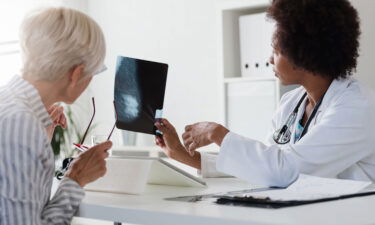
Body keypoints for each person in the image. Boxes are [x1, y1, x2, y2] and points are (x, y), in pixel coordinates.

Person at [155, 0, 375, 187]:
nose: (270, 59)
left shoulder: (358, 107)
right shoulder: (291, 103)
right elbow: (263, 168)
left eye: (277, 50)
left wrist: (218, 134)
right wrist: (185, 157)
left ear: (304, 52)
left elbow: (283, 171)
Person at [0, 7, 111, 224]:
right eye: (94, 72)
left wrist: (40, 138)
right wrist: (75, 179)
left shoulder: (10, 105)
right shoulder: (21, 124)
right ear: (76, 73)